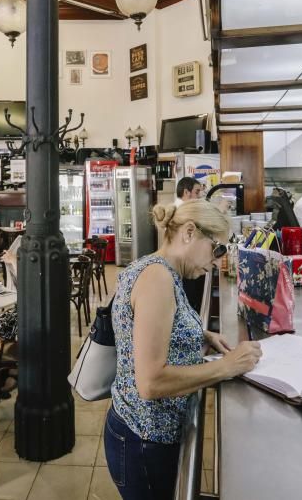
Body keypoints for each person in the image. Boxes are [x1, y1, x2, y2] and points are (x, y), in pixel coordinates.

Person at [105, 200, 262, 499]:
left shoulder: (155, 267)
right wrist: (227, 366)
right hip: (144, 441)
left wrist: (200, 334)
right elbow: (151, 383)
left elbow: (151, 325)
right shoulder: (157, 278)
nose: (218, 261)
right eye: (217, 249)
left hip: (144, 435)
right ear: (189, 232)